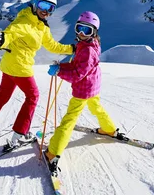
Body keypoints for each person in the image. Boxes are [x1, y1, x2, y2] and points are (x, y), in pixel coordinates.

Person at [0, 0, 74, 150]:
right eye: (42, 5)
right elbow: (11, 33)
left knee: (1, 98)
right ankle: (19, 135)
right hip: (20, 67)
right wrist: (1, 40)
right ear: (35, 4)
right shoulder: (24, 21)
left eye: (50, 8)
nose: (45, 11)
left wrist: (71, 48)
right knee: (33, 96)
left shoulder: (41, 27)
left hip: (9, 66)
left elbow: (52, 45)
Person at [43, 11, 117, 174]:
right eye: (79, 28)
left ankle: (52, 153)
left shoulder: (87, 50)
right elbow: (79, 66)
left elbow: (77, 74)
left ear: (94, 32)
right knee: (96, 107)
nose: (82, 34)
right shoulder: (90, 45)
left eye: (87, 30)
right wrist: (61, 67)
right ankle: (109, 129)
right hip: (93, 86)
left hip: (83, 90)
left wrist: (59, 72)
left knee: (69, 121)